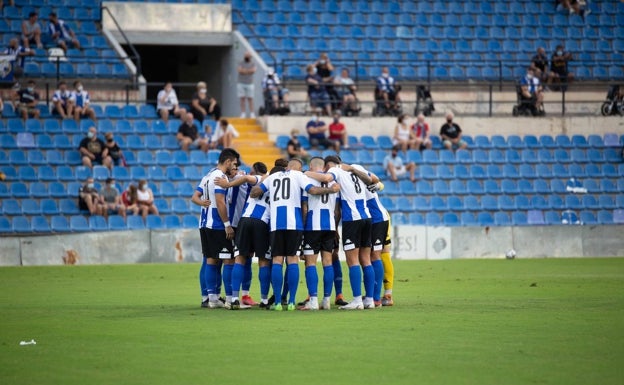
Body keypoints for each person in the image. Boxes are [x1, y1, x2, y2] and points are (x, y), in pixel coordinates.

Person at [250, 158, 339, 311]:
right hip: (295, 223)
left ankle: (277, 302)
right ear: (298, 167)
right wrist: (332, 190)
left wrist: (263, 183)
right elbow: (312, 190)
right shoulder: (299, 176)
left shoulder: (272, 177)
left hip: (276, 224)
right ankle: (291, 302)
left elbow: (254, 193)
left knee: (277, 260)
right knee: (293, 260)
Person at [305, 156, 377, 310]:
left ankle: (357, 300)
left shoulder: (334, 170)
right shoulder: (357, 167)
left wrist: (305, 173)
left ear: (330, 165)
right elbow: (375, 180)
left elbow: (325, 177)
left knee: (353, 261)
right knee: (366, 259)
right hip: (366, 217)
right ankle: (369, 299)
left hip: (352, 219)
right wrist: (352, 168)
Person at [214, 161, 269, 309]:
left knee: (239, 259)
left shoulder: (260, 179)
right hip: (262, 222)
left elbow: (245, 179)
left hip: (244, 220)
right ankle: (264, 300)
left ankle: (234, 298)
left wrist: (227, 184)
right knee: (263, 261)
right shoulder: (276, 181)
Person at [191, 148, 239, 308]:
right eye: (234, 163)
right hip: (217, 224)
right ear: (227, 161)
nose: (234, 166)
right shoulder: (220, 177)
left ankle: (212, 298)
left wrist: (202, 203)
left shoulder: (207, 176)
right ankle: (231, 298)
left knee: (210, 259)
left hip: (204, 224)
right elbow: (220, 202)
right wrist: (227, 225)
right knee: (229, 259)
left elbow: (194, 197)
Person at [299, 157, 341, 310]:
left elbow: (304, 207)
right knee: (327, 262)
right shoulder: (333, 182)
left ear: (311, 166)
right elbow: (337, 210)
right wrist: (335, 228)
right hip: (329, 225)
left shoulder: (306, 179)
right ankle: (327, 300)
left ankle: (314, 300)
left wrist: (302, 230)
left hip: (312, 225)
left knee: (310, 263)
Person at [237, 51, 256, 118]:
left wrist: (244, 71)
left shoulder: (253, 63)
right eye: (246, 55)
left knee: (250, 99)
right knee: (242, 99)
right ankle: (243, 113)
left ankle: (252, 113)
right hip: (241, 83)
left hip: (250, 83)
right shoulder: (241, 63)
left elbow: (253, 70)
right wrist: (248, 71)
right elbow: (239, 70)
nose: (246, 57)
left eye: (248, 56)